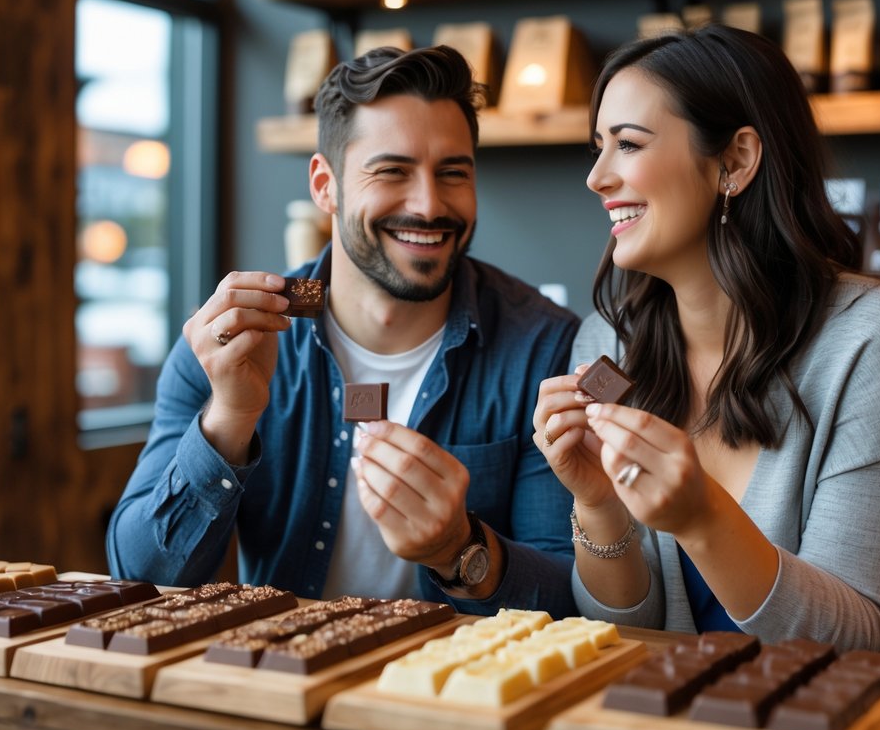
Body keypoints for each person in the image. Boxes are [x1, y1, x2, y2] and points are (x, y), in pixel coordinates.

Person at [108, 45, 580, 617]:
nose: (430, 205)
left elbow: (573, 600)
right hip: (279, 681)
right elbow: (139, 579)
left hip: (461, 696)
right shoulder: (231, 343)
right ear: (325, 185)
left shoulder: (541, 347)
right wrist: (228, 420)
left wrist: (460, 550)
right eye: (392, 171)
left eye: (452, 173)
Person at [533, 24, 880, 658]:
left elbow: (857, 638)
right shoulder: (609, 340)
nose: (596, 178)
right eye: (598, 147)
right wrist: (597, 507)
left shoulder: (875, 337)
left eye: (627, 144)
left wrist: (704, 519)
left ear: (734, 161)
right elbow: (624, 630)